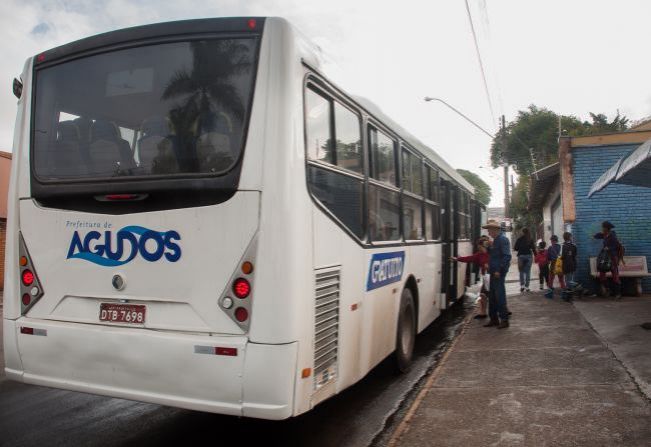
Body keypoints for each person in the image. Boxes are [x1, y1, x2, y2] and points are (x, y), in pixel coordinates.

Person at [482, 220, 512, 329]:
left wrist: (499, 270)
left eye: (489, 230)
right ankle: (494, 319)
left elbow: (506, 256)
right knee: (493, 296)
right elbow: (495, 255)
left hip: (498, 272)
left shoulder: (502, 240)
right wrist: (489, 247)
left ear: (495, 230)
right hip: (493, 272)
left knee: (499, 296)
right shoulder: (495, 241)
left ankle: (504, 319)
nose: (488, 232)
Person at [452, 236, 489, 319]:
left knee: (490, 295)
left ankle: (502, 311)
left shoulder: (492, 252)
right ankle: (483, 313)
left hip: (493, 277)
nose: (478, 247)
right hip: (486, 277)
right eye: (478, 246)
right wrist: (457, 259)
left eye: (480, 246)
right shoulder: (479, 255)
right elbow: (469, 258)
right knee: (483, 295)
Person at [594, 221, 622, 298]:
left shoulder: (613, 236)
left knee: (615, 275)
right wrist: (595, 235)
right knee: (602, 274)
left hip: (613, 258)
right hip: (606, 258)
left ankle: (618, 293)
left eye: (603, 227)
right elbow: (598, 235)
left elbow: (616, 246)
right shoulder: (606, 235)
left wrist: (608, 248)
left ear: (606, 228)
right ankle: (608, 289)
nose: (602, 228)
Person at [513, 228, 536, 293]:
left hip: (521, 256)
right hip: (529, 256)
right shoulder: (530, 239)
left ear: (523, 232)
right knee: (528, 272)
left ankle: (522, 286)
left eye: (521, 232)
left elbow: (515, 248)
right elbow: (533, 248)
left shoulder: (519, 239)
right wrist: (536, 256)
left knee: (521, 272)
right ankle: (527, 287)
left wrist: (520, 248)